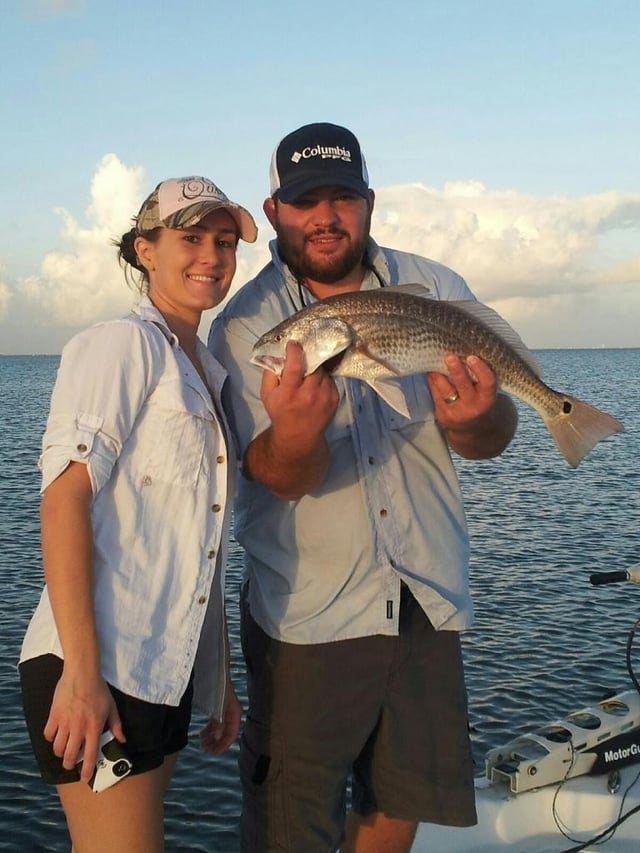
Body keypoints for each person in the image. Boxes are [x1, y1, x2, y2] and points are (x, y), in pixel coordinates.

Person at [208, 123, 519, 853]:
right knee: (292, 822)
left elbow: (490, 436)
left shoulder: (437, 287)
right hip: (309, 617)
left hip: (427, 599)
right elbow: (274, 478)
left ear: (369, 201)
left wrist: (478, 416)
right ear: (275, 209)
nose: (325, 215)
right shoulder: (247, 327)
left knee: (398, 800)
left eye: (342, 196)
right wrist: (294, 435)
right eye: (305, 200)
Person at [19, 176, 258, 852]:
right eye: (190, 239)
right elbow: (64, 498)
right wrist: (83, 674)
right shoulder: (120, 345)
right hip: (98, 668)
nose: (211, 255)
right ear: (145, 250)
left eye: (223, 241)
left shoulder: (207, 371)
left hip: (163, 668)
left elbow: (196, 546)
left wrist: (218, 679)